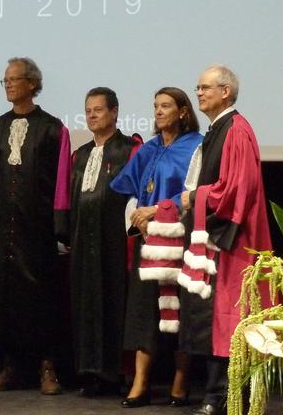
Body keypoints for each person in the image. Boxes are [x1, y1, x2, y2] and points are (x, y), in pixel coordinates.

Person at [179, 66, 272, 415]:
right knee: (216, 316)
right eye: (198, 87)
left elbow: (236, 189)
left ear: (226, 92)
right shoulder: (217, 130)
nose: (199, 93)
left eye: (205, 87)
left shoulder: (236, 130)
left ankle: (221, 395)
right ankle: (216, 393)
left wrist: (195, 198)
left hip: (235, 239)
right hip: (219, 236)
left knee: (230, 314)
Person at [0, 57, 71, 395]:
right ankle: (11, 366)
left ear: (33, 83)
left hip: (38, 228)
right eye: (4, 80)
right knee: (5, 298)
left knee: (41, 296)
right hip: (3, 228)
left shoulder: (52, 128)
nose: (8, 85)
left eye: (14, 79)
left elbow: (61, 181)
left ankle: (47, 367)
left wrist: (60, 227)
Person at [110, 87, 203, 408]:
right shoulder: (148, 150)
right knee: (142, 312)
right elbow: (131, 193)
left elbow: (196, 192)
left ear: (183, 112)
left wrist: (159, 209)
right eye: (155, 106)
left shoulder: (196, 147)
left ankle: (181, 379)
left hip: (181, 237)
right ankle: (140, 382)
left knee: (181, 309)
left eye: (166, 106)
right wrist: (142, 221)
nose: (159, 111)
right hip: (149, 241)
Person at [65, 88, 141, 398]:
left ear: (114, 112)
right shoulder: (79, 154)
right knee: (86, 306)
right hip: (84, 241)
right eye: (89, 110)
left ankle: (117, 373)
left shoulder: (130, 149)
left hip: (114, 242)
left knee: (114, 304)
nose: (93, 115)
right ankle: (91, 372)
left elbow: (138, 195)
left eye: (99, 109)